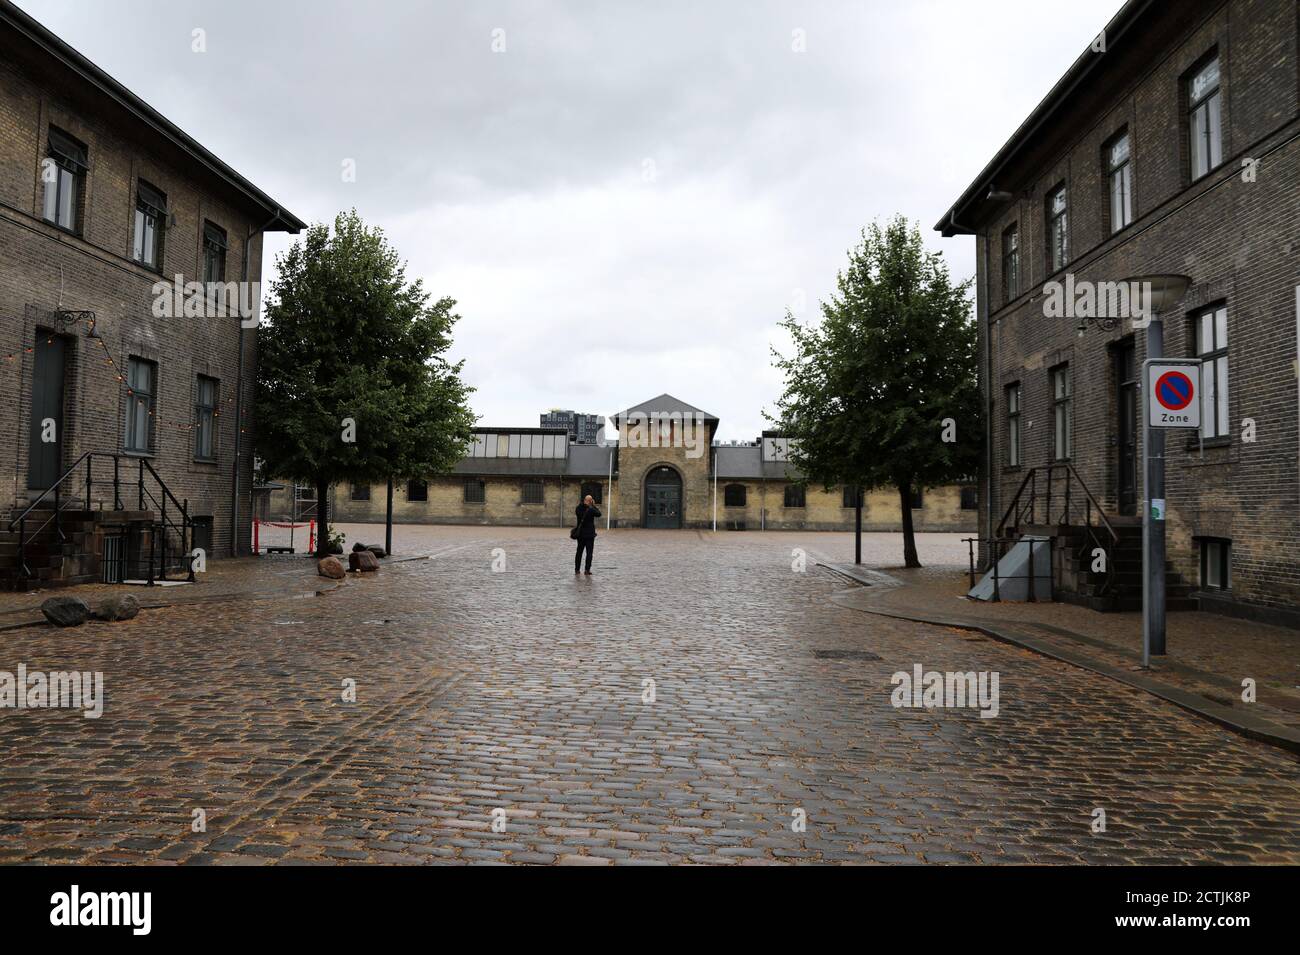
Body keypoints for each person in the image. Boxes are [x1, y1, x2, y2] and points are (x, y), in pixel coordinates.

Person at [574, 494, 600, 575]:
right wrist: (593, 505)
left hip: (581, 534)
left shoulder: (578, 508)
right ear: (590, 501)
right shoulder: (591, 509)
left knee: (579, 552)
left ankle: (577, 570)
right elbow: (599, 514)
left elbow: (578, 513)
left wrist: (586, 504)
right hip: (589, 535)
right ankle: (587, 570)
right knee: (589, 553)